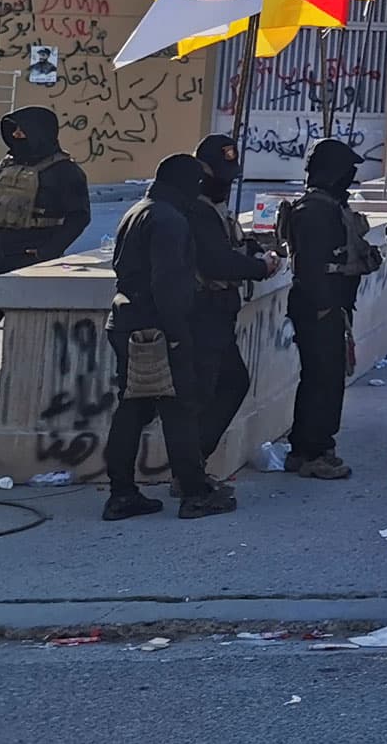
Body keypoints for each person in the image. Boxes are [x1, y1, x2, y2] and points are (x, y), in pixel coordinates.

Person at [100, 154, 233, 520]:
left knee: (132, 408)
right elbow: (168, 285)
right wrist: (176, 335)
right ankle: (194, 493)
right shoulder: (169, 219)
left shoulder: (140, 210)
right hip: (156, 328)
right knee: (179, 410)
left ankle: (122, 493)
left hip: (127, 321)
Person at [277, 140, 379, 481]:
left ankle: (307, 447)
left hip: (329, 306)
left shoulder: (325, 206)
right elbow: (312, 267)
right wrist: (324, 306)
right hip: (320, 308)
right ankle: (314, 451)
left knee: (322, 379)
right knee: (323, 381)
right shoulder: (314, 211)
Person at [189, 134, 281, 466]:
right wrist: (259, 267)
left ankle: (193, 464)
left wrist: (255, 250)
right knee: (209, 390)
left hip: (218, 311)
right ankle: (189, 468)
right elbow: (214, 261)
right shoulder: (196, 209)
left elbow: (230, 245)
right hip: (201, 310)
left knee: (226, 384)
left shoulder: (216, 207)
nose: (226, 184)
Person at [0, 106, 90, 278]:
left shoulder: (64, 171)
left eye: (22, 130)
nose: (16, 135)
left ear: (38, 132)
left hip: (29, 257)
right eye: (14, 130)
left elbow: (79, 216)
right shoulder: (8, 165)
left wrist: (48, 251)